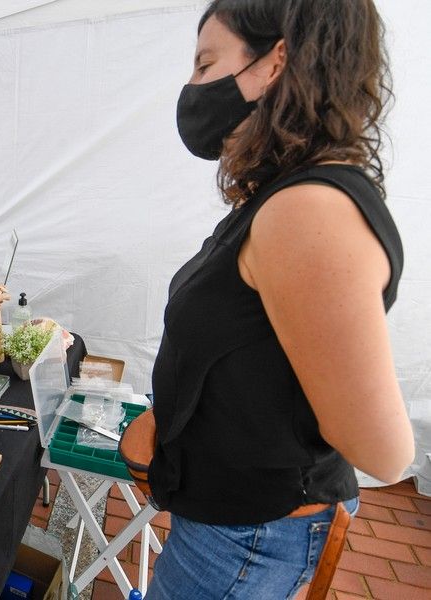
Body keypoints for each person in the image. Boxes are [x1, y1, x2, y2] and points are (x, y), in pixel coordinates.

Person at [145, 1, 414, 597]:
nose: (192, 87)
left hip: (246, 539)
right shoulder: (280, 196)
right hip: (228, 528)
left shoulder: (305, 210)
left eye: (206, 62)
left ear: (276, 63)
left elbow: (385, 450)